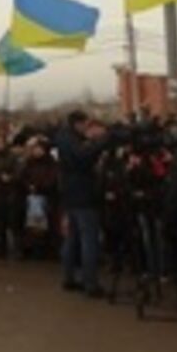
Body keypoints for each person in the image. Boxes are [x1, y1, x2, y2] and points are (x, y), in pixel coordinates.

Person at [56, 111, 110, 298]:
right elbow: (83, 157)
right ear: (77, 124)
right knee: (88, 240)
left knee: (72, 238)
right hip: (84, 194)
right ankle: (90, 282)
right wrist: (102, 142)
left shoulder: (63, 139)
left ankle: (69, 276)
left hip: (70, 195)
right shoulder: (73, 142)